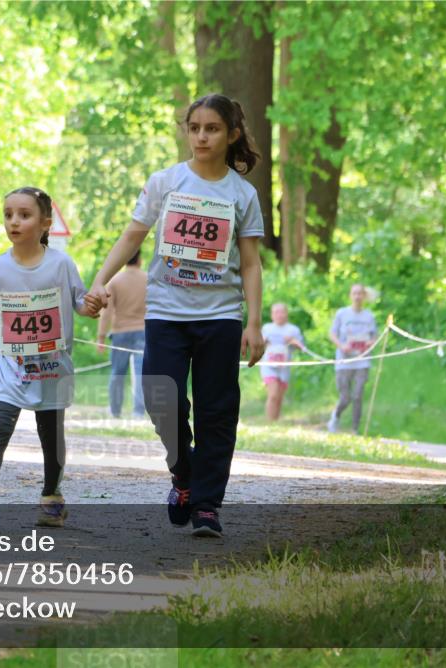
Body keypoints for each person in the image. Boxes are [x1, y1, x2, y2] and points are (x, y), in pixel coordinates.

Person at [85, 93, 266, 538]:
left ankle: (206, 506)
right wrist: (100, 280)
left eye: (212, 129)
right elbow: (133, 235)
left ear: (232, 135)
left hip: (221, 316)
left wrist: (254, 323)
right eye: (194, 128)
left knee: (216, 411)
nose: (201, 137)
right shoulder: (165, 182)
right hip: (165, 312)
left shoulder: (242, 194)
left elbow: (250, 264)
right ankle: (184, 475)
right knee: (160, 399)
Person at [0, 187, 95, 529]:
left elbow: (81, 303)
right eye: (8, 214)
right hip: (10, 367)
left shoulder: (61, 264)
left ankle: (51, 498)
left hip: (52, 368)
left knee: (51, 436)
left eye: (24, 215)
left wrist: (94, 306)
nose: (14, 221)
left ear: (45, 224)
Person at [97, 250, 147, 419]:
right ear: (139, 260)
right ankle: (138, 412)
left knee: (117, 373)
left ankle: (115, 410)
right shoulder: (148, 279)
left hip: (120, 332)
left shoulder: (115, 281)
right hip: (143, 331)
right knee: (141, 373)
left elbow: (106, 312)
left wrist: (101, 337)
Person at [327, 284, 379, 434]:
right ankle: (335, 417)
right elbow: (332, 334)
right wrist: (341, 346)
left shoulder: (369, 316)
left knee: (358, 395)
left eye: (360, 293)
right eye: (354, 293)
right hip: (344, 362)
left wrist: (370, 343)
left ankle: (355, 429)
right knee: (345, 397)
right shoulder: (342, 313)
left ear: (364, 296)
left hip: (362, 361)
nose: (357, 296)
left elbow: (375, 336)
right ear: (350, 296)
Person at [259, 303, 305, 421]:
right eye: (276, 312)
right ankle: (270, 421)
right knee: (273, 395)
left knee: (279, 397)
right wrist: (263, 342)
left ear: (286, 314)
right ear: (272, 315)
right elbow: (258, 345)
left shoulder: (293, 330)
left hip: (284, 367)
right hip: (269, 366)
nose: (279, 315)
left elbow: (302, 347)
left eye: (282, 312)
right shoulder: (267, 328)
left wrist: (292, 340)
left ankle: (275, 421)